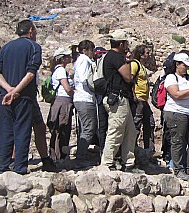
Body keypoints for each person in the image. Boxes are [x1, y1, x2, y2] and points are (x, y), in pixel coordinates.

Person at [0, 20, 42, 175]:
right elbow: (31, 72)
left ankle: (3, 165)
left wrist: (8, 89)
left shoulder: (5, 47)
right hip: (23, 96)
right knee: (22, 130)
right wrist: (16, 91)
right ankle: (20, 166)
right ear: (31, 31)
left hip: (4, 96)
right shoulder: (34, 47)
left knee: (5, 130)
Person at [163, 53, 189, 180]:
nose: (186, 68)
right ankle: (179, 169)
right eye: (184, 66)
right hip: (176, 112)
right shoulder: (171, 78)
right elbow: (176, 94)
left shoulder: (187, 78)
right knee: (178, 141)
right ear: (177, 64)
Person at [99, 30, 138, 172]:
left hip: (121, 98)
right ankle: (107, 162)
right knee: (116, 130)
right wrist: (127, 61)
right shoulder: (116, 57)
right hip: (118, 99)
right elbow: (128, 77)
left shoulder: (110, 56)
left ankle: (129, 162)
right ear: (121, 44)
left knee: (130, 131)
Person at [72, 40, 97, 169]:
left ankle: (83, 155)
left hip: (82, 98)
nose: (93, 53)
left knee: (86, 128)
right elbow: (84, 78)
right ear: (85, 50)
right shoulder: (84, 60)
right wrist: (95, 86)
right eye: (92, 50)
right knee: (89, 128)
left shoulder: (80, 61)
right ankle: (80, 158)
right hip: (85, 98)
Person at [47, 48, 74, 162]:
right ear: (62, 58)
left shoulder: (57, 70)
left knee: (58, 128)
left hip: (60, 100)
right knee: (62, 128)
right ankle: (59, 156)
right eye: (67, 56)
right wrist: (74, 92)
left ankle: (56, 154)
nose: (69, 58)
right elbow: (66, 88)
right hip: (63, 101)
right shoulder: (61, 70)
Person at [130, 44, 156, 155]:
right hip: (138, 99)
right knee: (136, 124)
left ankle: (149, 150)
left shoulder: (142, 66)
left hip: (144, 100)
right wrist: (134, 96)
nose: (149, 55)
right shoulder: (135, 65)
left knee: (150, 123)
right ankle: (131, 148)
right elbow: (129, 79)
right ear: (141, 54)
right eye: (146, 53)